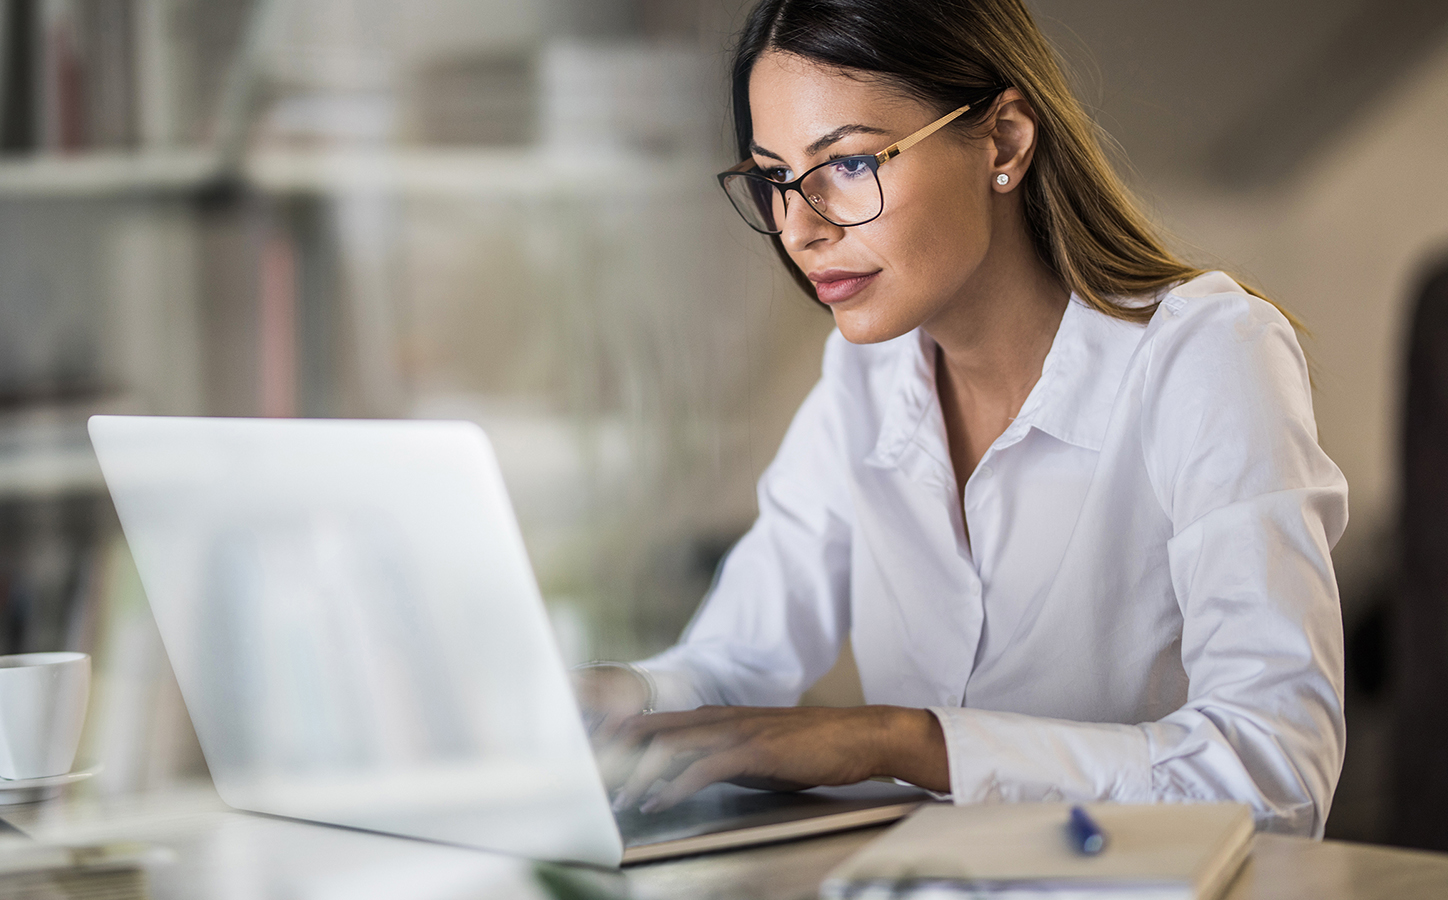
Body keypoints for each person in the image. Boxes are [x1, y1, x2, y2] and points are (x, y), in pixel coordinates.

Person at [575, 0, 1347, 838]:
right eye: (774, 178)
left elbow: (1278, 772)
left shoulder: (1204, 355)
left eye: (851, 163)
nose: (800, 229)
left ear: (1004, 141)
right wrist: (614, 699)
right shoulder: (864, 378)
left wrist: (903, 741)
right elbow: (740, 660)